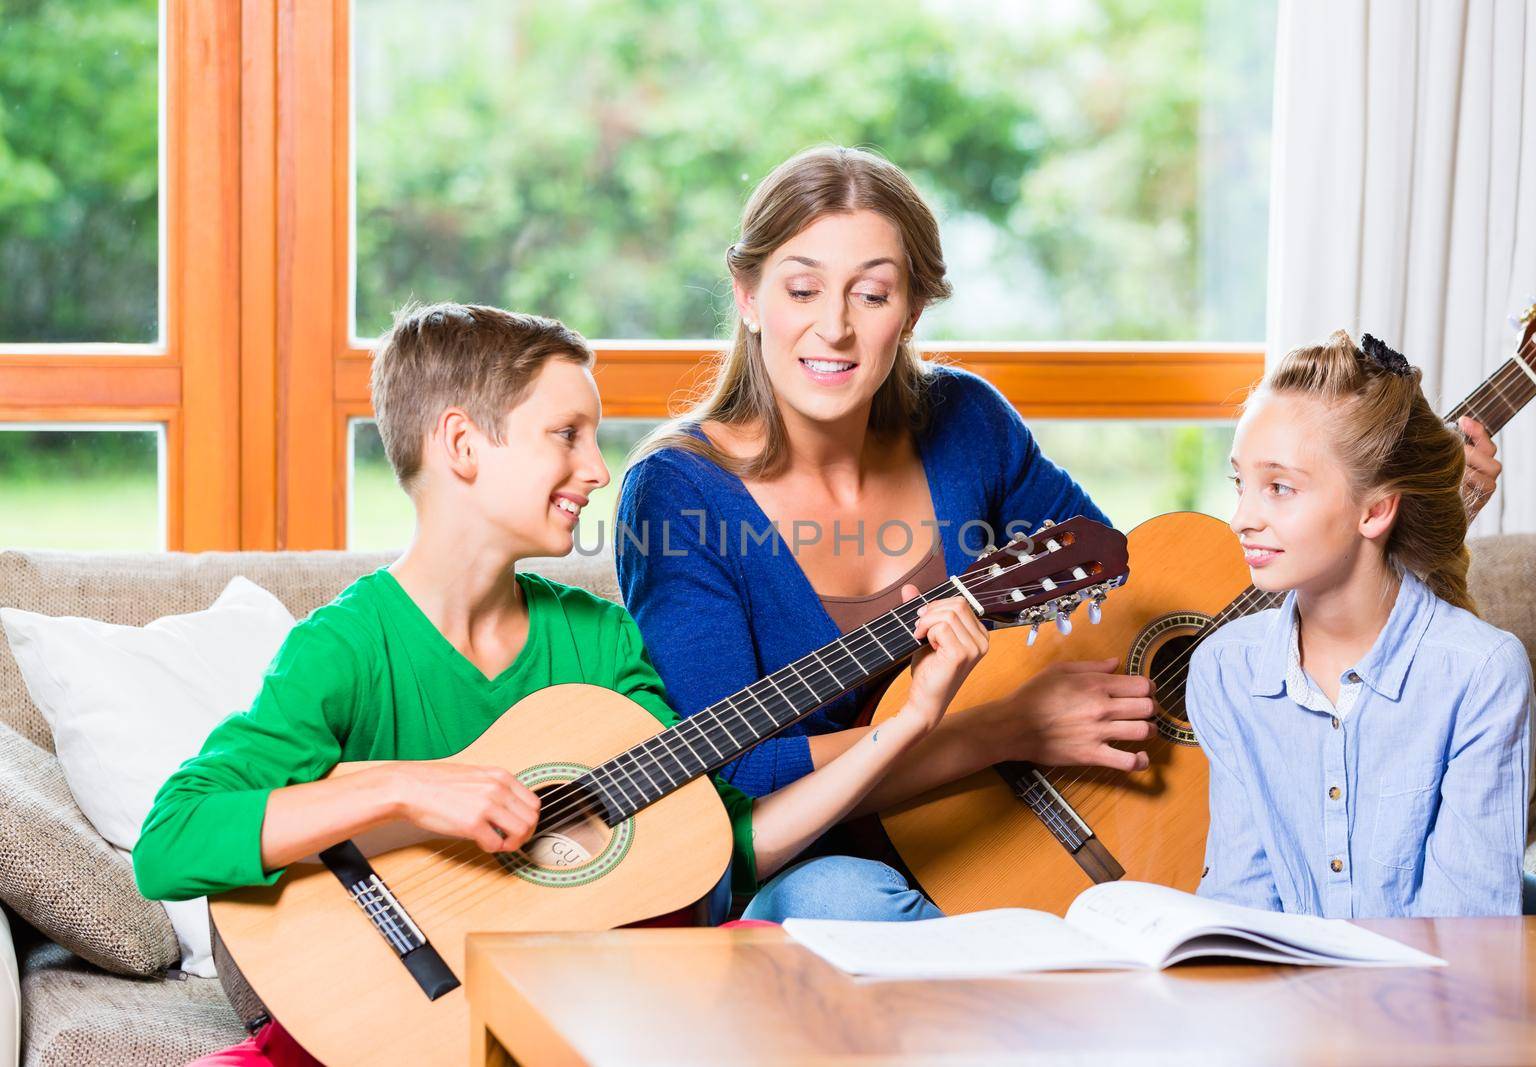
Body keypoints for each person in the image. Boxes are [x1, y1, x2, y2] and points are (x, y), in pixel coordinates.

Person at [615, 147, 1504, 918]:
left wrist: (1400, 519)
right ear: (748, 295)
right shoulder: (679, 494)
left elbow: (1136, 586)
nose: (835, 325)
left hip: (1036, 832)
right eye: (802, 287)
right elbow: (728, 784)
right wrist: (1006, 728)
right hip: (831, 869)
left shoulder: (964, 420)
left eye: (873, 292)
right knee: (836, 901)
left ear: (913, 311)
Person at [132, 303, 988, 1065]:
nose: (598, 470)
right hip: (408, 1001)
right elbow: (170, 840)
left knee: (818, 927)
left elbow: (724, 848)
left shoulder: (600, 640)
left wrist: (911, 718)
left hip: (601, 995)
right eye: (567, 435)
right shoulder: (348, 648)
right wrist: (407, 789)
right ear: (463, 446)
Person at [1189, 330, 1533, 917]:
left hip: (1431, 1002)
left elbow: (1469, 936)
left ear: (1375, 509)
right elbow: (1241, 902)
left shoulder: (1480, 673)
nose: (1242, 518)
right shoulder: (1224, 667)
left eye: (1279, 487)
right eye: (1240, 484)